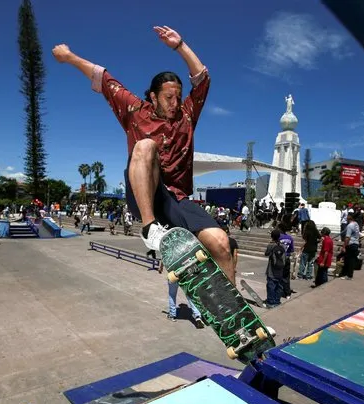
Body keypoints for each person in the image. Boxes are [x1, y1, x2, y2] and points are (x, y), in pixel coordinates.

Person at [52, 26, 234, 284]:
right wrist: (69, 57)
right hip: (145, 194)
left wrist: (179, 45)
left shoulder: (187, 115)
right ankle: (150, 228)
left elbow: (202, 78)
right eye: (169, 97)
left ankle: (235, 315)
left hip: (177, 200)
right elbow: (103, 78)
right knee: (146, 146)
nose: (175, 103)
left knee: (222, 243)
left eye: (178, 98)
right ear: (153, 96)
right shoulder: (135, 109)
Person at [264, 229, 286, 308]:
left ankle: (270, 302)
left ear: (271, 236)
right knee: (278, 285)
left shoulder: (271, 245)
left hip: (271, 269)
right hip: (280, 269)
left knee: (271, 285)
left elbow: (266, 254)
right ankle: (277, 301)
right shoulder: (282, 245)